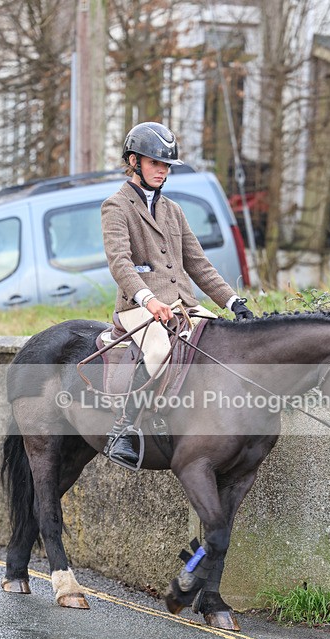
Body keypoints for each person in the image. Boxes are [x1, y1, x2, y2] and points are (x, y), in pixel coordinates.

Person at [101, 121, 253, 468]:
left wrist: (233, 302)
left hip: (183, 304)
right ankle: (122, 430)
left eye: (166, 165)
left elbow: (198, 264)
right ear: (134, 161)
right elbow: (120, 263)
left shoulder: (173, 210)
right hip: (139, 307)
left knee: (224, 345)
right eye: (155, 163)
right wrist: (148, 300)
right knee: (157, 350)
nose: (162, 171)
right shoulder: (115, 206)